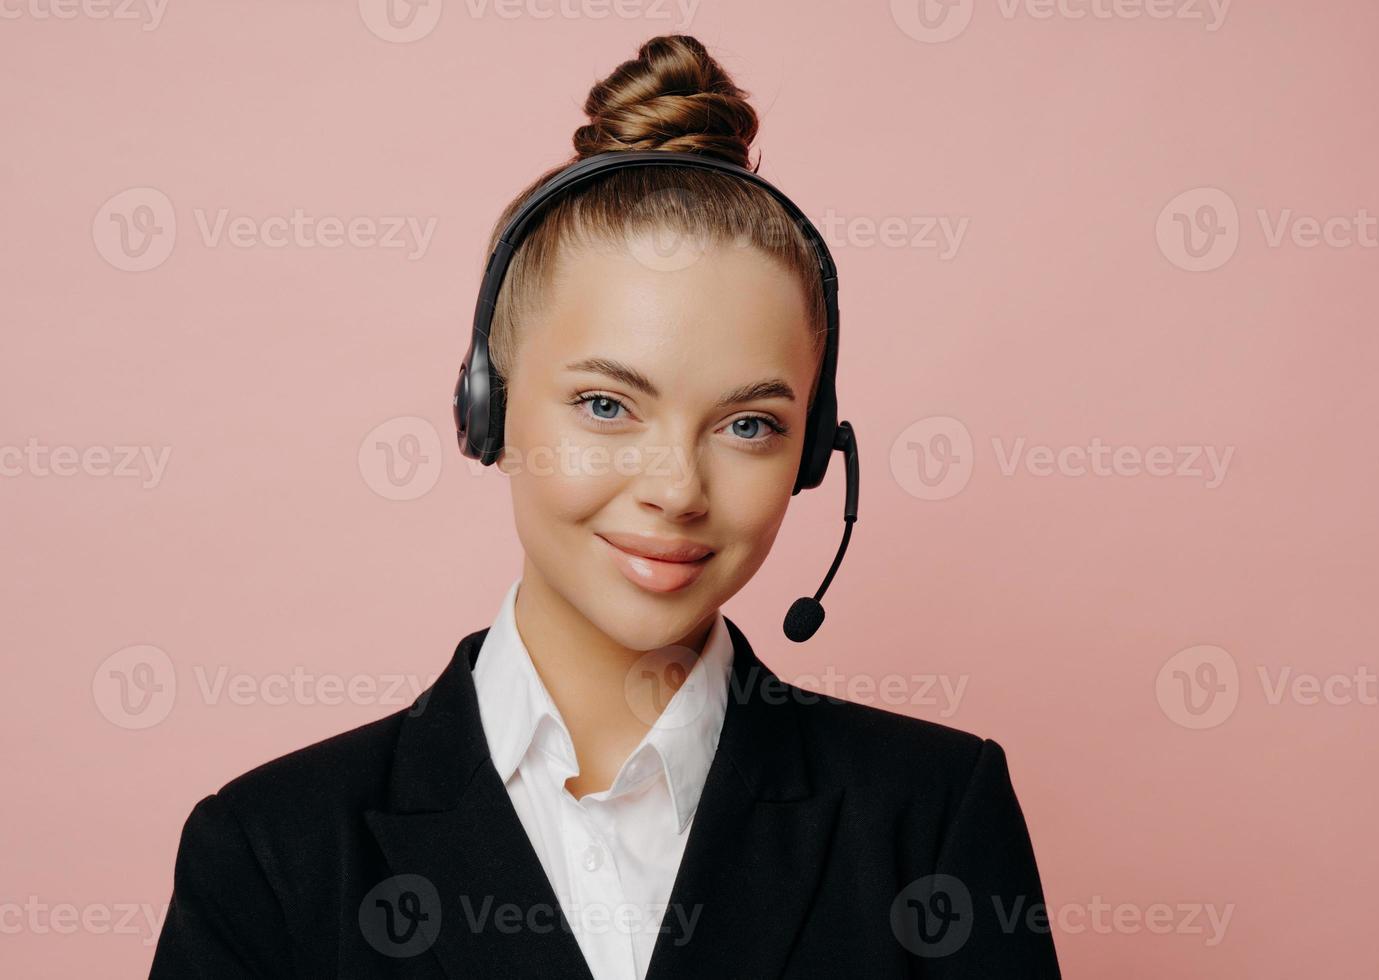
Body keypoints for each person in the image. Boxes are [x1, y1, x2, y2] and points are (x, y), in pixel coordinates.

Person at [149, 33, 1063, 980]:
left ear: (812, 454)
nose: (676, 488)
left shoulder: (932, 816)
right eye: (606, 406)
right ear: (486, 411)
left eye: (748, 424)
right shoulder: (271, 852)